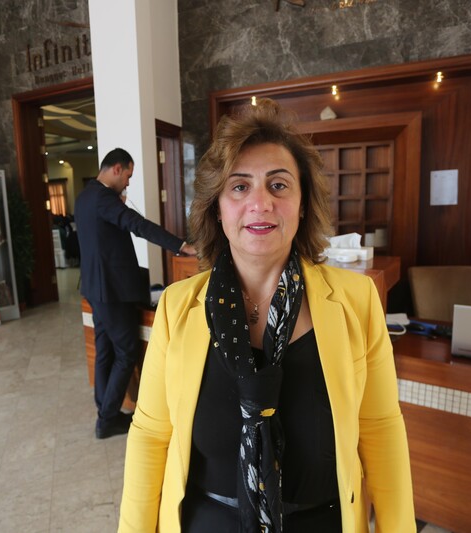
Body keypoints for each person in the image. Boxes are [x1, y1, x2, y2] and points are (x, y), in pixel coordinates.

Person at [118, 100, 415, 532]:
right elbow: (149, 436)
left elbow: (381, 430)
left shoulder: (356, 300)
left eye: (279, 185)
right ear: (217, 207)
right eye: (239, 187)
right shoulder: (177, 308)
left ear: (301, 202)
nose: (260, 203)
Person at [75, 148, 196, 440]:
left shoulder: (86, 195)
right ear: (116, 168)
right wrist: (181, 246)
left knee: (105, 351)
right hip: (112, 290)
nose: (128, 182)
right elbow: (137, 225)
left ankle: (105, 410)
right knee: (126, 352)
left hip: (94, 287)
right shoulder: (105, 199)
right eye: (128, 175)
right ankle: (107, 419)